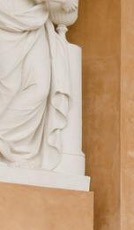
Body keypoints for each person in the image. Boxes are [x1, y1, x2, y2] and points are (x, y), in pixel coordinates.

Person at [0, 0, 78, 170]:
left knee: (40, 87)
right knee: (7, 89)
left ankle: (6, 140)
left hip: (36, 20)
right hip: (7, 18)